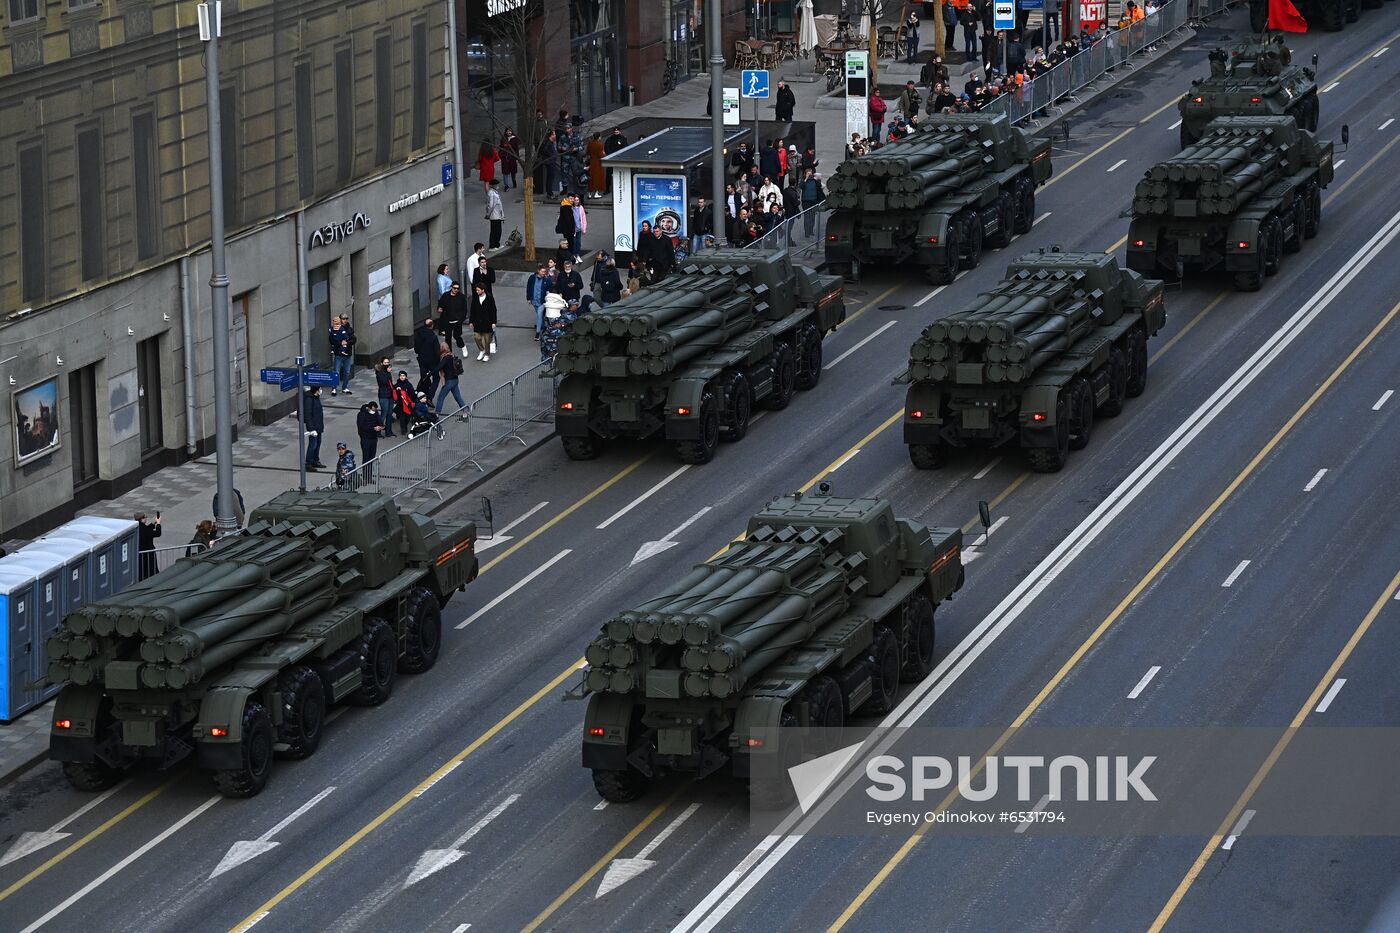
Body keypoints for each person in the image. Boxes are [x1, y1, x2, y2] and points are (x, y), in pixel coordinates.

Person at [436, 281, 469, 352]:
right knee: (448, 338)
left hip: (457, 321)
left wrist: (461, 319)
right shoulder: (445, 296)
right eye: (454, 288)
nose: (456, 290)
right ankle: (449, 353)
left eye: (457, 288)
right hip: (447, 320)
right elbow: (440, 304)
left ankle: (462, 346)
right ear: (451, 287)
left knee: (457, 336)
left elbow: (464, 309)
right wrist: (439, 308)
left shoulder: (461, 297)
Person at [469, 282, 497, 362]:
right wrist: (471, 322)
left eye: (478, 290)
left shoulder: (489, 298)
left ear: (483, 290)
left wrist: (493, 322)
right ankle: (482, 350)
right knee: (476, 337)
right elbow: (472, 311)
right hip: (477, 322)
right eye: (476, 290)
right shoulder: (475, 299)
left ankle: (487, 354)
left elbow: (493, 310)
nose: (477, 291)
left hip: (487, 322)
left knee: (487, 340)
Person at [434, 343, 465, 414]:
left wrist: (431, 372)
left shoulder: (445, 358)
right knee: (458, 397)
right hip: (455, 379)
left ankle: (436, 415)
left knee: (440, 398)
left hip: (449, 381)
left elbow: (439, 367)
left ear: (442, 348)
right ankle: (466, 412)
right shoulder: (452, 355)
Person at [357, 401, 384, 478]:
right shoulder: (362, 414)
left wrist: (380, 427)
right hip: (365, 438)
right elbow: (361, 427)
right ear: (369, 408)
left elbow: (380, 422)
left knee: (371, 458)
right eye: (373, 410)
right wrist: (373, 428)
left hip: (373, 438)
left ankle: (369, 477)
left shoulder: (375, 413)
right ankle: (365, 477)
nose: (374, 411)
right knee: (366, 458)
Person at [414, 318, 441, 395]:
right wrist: (439, 362)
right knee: (436, 378)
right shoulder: (433, 337)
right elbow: (437, 351)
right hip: (432, 361)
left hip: (422, 360)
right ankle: (430, 395)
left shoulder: (418, 335)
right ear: (432, 326)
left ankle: (421, 394)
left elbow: (416, 349)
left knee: (424, 377)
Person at [330, 314, 356, 395]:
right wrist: (340, 343)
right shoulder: (335, 328)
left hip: (347, 353)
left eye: (346, 318)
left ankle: (345, 387)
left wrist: (347, 342)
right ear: (340, 319)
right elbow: (331, 340)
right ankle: (334, 388)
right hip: (338, 353)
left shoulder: (350, 329)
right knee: (336, 372)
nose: (345, 320)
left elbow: (354, 339)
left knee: (347, 372)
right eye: (343, 319)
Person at [526, 262, 551, 338]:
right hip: (534, 301)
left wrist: (548, 293)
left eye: (545, 272)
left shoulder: (547, 280)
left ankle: (537, 333)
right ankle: (543, 325)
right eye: (542, 271)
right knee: (539, 315)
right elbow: (528, 288)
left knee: (539, 315)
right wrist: (528, 298)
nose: (544, 273)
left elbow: (549, 289)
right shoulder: (532, 278)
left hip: (542, 301)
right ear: (538, 271)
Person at [303, 385, 325, 470]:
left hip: (318, 425)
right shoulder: (309, 399)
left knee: (318, 443)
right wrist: (311, 429)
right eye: (320, 389)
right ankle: (309, 463)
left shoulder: (316, 398)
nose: (321, 390)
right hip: (313, 427)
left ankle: (315, 460)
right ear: (317, 390)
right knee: (313, 445)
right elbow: (308, 415)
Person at [799, 168, 825, 236]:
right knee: (807, 217)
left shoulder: (814, 181)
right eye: (808, 173)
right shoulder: (803, 180)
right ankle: (807, 232)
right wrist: (806, 178)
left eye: (810, 173)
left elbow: (820, 186)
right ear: (805, 174)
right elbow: (801, 186)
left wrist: (815, 179)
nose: (809, 174)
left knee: (812, 216)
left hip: (813, 200)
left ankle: (811, 230)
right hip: (805, 201)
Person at [136, 512, 162, 580]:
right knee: (151, 570)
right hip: (149, 553)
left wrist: (154, 523)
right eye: (145, 517)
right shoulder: (145, 530)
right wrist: (158, 523)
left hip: (140, 553)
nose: (146, 518)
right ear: (142, 519)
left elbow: (147, 529)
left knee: (143, 571)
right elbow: (158, 533)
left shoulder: (137, 528)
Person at [374, 358, 396, 437]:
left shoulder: (387, 372)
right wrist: (387, 372)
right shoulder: (379, 373)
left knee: (389, 414)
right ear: (381, 363)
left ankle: (388, 431)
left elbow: (390, 383)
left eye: (388, 362)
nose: (387, 364)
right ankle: (378, 431)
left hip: (390, 395)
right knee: (384, 413)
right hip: (383, 395)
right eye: (385, 362)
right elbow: (384, 382)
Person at [603, 126, 627, 192]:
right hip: (611, 159)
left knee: (621, 173)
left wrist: (620, 155)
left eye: (617, 131)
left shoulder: (623, 138)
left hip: (620, 159)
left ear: (620, 131)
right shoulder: (609, 139)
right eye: (615, 131)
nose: (616, 132)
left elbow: (625, 147)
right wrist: (611, 155)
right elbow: (606, 148)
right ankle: (607, 189)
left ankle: (622, 187)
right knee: (609, 174)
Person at [392, 370, 416, 436]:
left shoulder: (408, 384)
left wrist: (410, 400)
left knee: (407, 417)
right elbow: (394, 394)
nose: (402, 377)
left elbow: (412, 393)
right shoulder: (397, 385)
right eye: (401, 376)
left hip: (407, 404)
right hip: (400, 404)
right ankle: (403, 429)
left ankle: (405, 425)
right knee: (402, 417)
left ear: (406, 377)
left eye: (403, 376)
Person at [586, 132, 606, 200]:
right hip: (598, 163)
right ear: (599, 137)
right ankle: (596, 193)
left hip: (591, 162)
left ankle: (589, 193)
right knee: (597, 178)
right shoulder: (600, 144)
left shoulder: (590, 143)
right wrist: (604, 154)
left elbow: (587, 152)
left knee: (591, 177)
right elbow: (601, 155)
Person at [486, 180, 504, 249]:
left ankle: (496, 245)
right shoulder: (492, 194)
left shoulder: (494, 193)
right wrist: (488, 215)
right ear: (493, 186)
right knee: (495, 231)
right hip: (495, 215)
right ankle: (492, 246)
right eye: (497, 185)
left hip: (497, 215)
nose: (498, 186)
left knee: (498, 231)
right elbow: (491, 205)